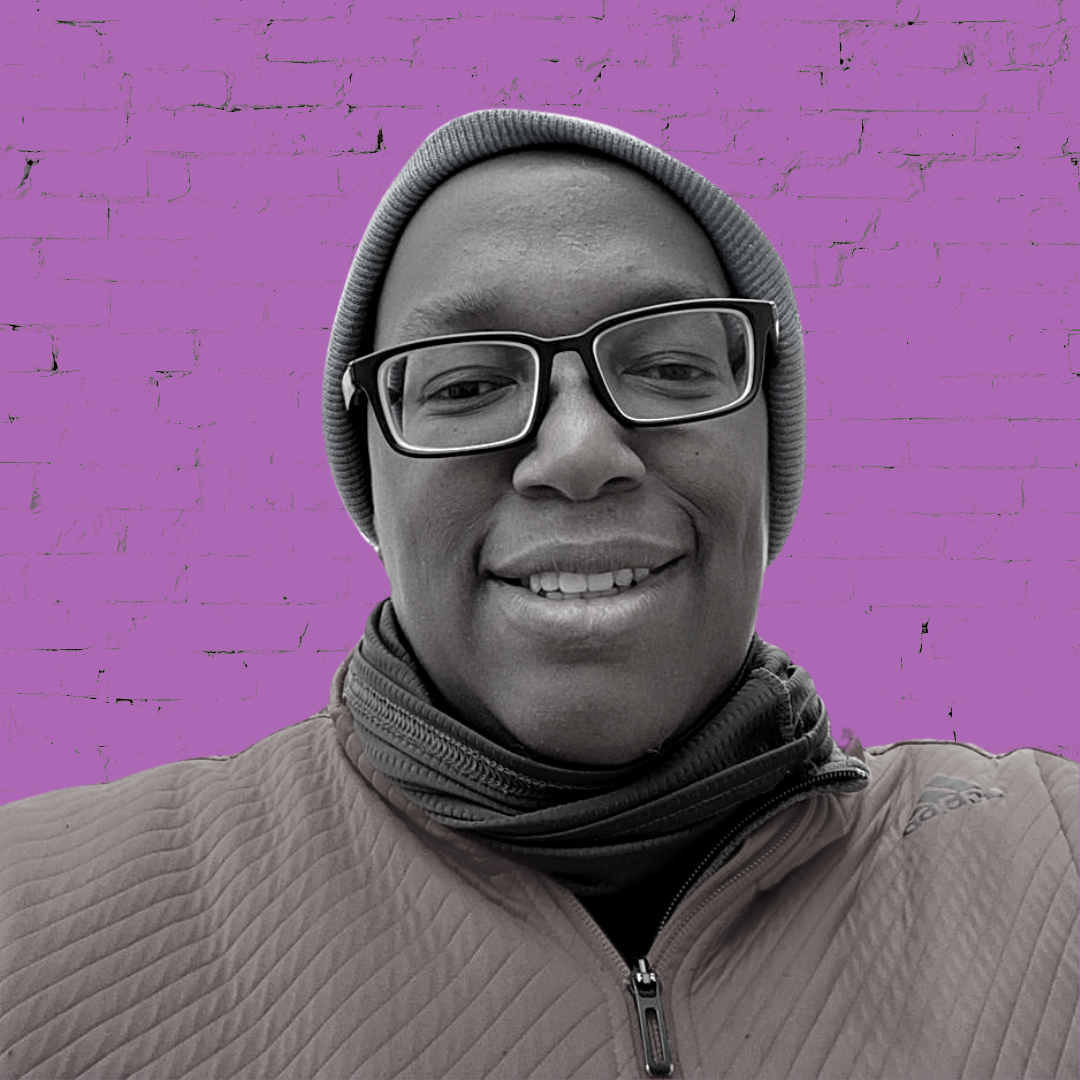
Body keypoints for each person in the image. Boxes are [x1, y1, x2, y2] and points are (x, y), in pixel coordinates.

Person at [0, 110, 1076, 1080]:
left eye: (671, 367)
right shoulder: (36, 927)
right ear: (374, 474)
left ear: (767, 442)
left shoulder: (1056, 861)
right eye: (467, 384)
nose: (578, 452)